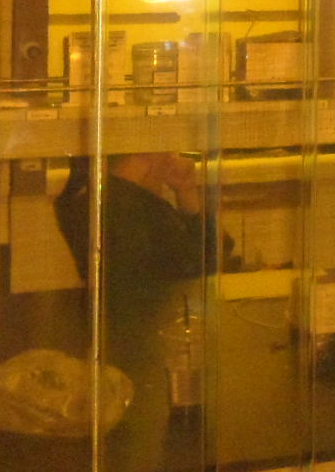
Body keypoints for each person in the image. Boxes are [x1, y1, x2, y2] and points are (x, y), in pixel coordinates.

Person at [53, 152, 231, 366]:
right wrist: (188, 194)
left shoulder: (91, 197)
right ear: (147, 156)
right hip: (149, 345)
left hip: (110, 337)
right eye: (167, 152)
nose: (172, 159)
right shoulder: (135, 212)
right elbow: (209, 262)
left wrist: (185, 190)